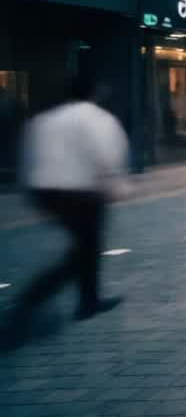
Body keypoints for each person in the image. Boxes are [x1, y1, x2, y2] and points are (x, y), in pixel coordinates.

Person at [10, 74, 128, 329]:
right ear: (96, 91)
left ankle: (87, 300)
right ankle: (38, 295)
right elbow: (106, 156)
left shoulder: (44, 119)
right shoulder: (98, 118)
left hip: (44, 190)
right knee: (87, 248)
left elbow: (28, 155)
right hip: (81, 192)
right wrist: (117, 186)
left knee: (85, 246)